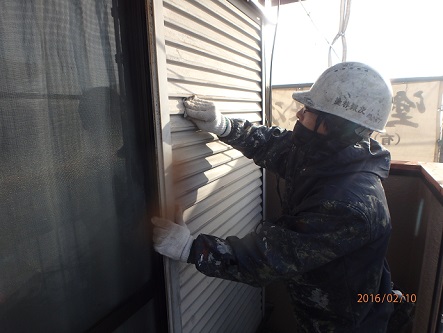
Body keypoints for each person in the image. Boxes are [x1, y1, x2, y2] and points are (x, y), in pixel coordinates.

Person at [152, 62, 406, 332]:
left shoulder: (348, 205)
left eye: (308, 110)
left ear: (335, 125)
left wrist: (190, 248)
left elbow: (267, 258)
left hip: (345, 324)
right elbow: (275, 145)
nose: (298, 113)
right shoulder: (331, 155)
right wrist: (225, 126)